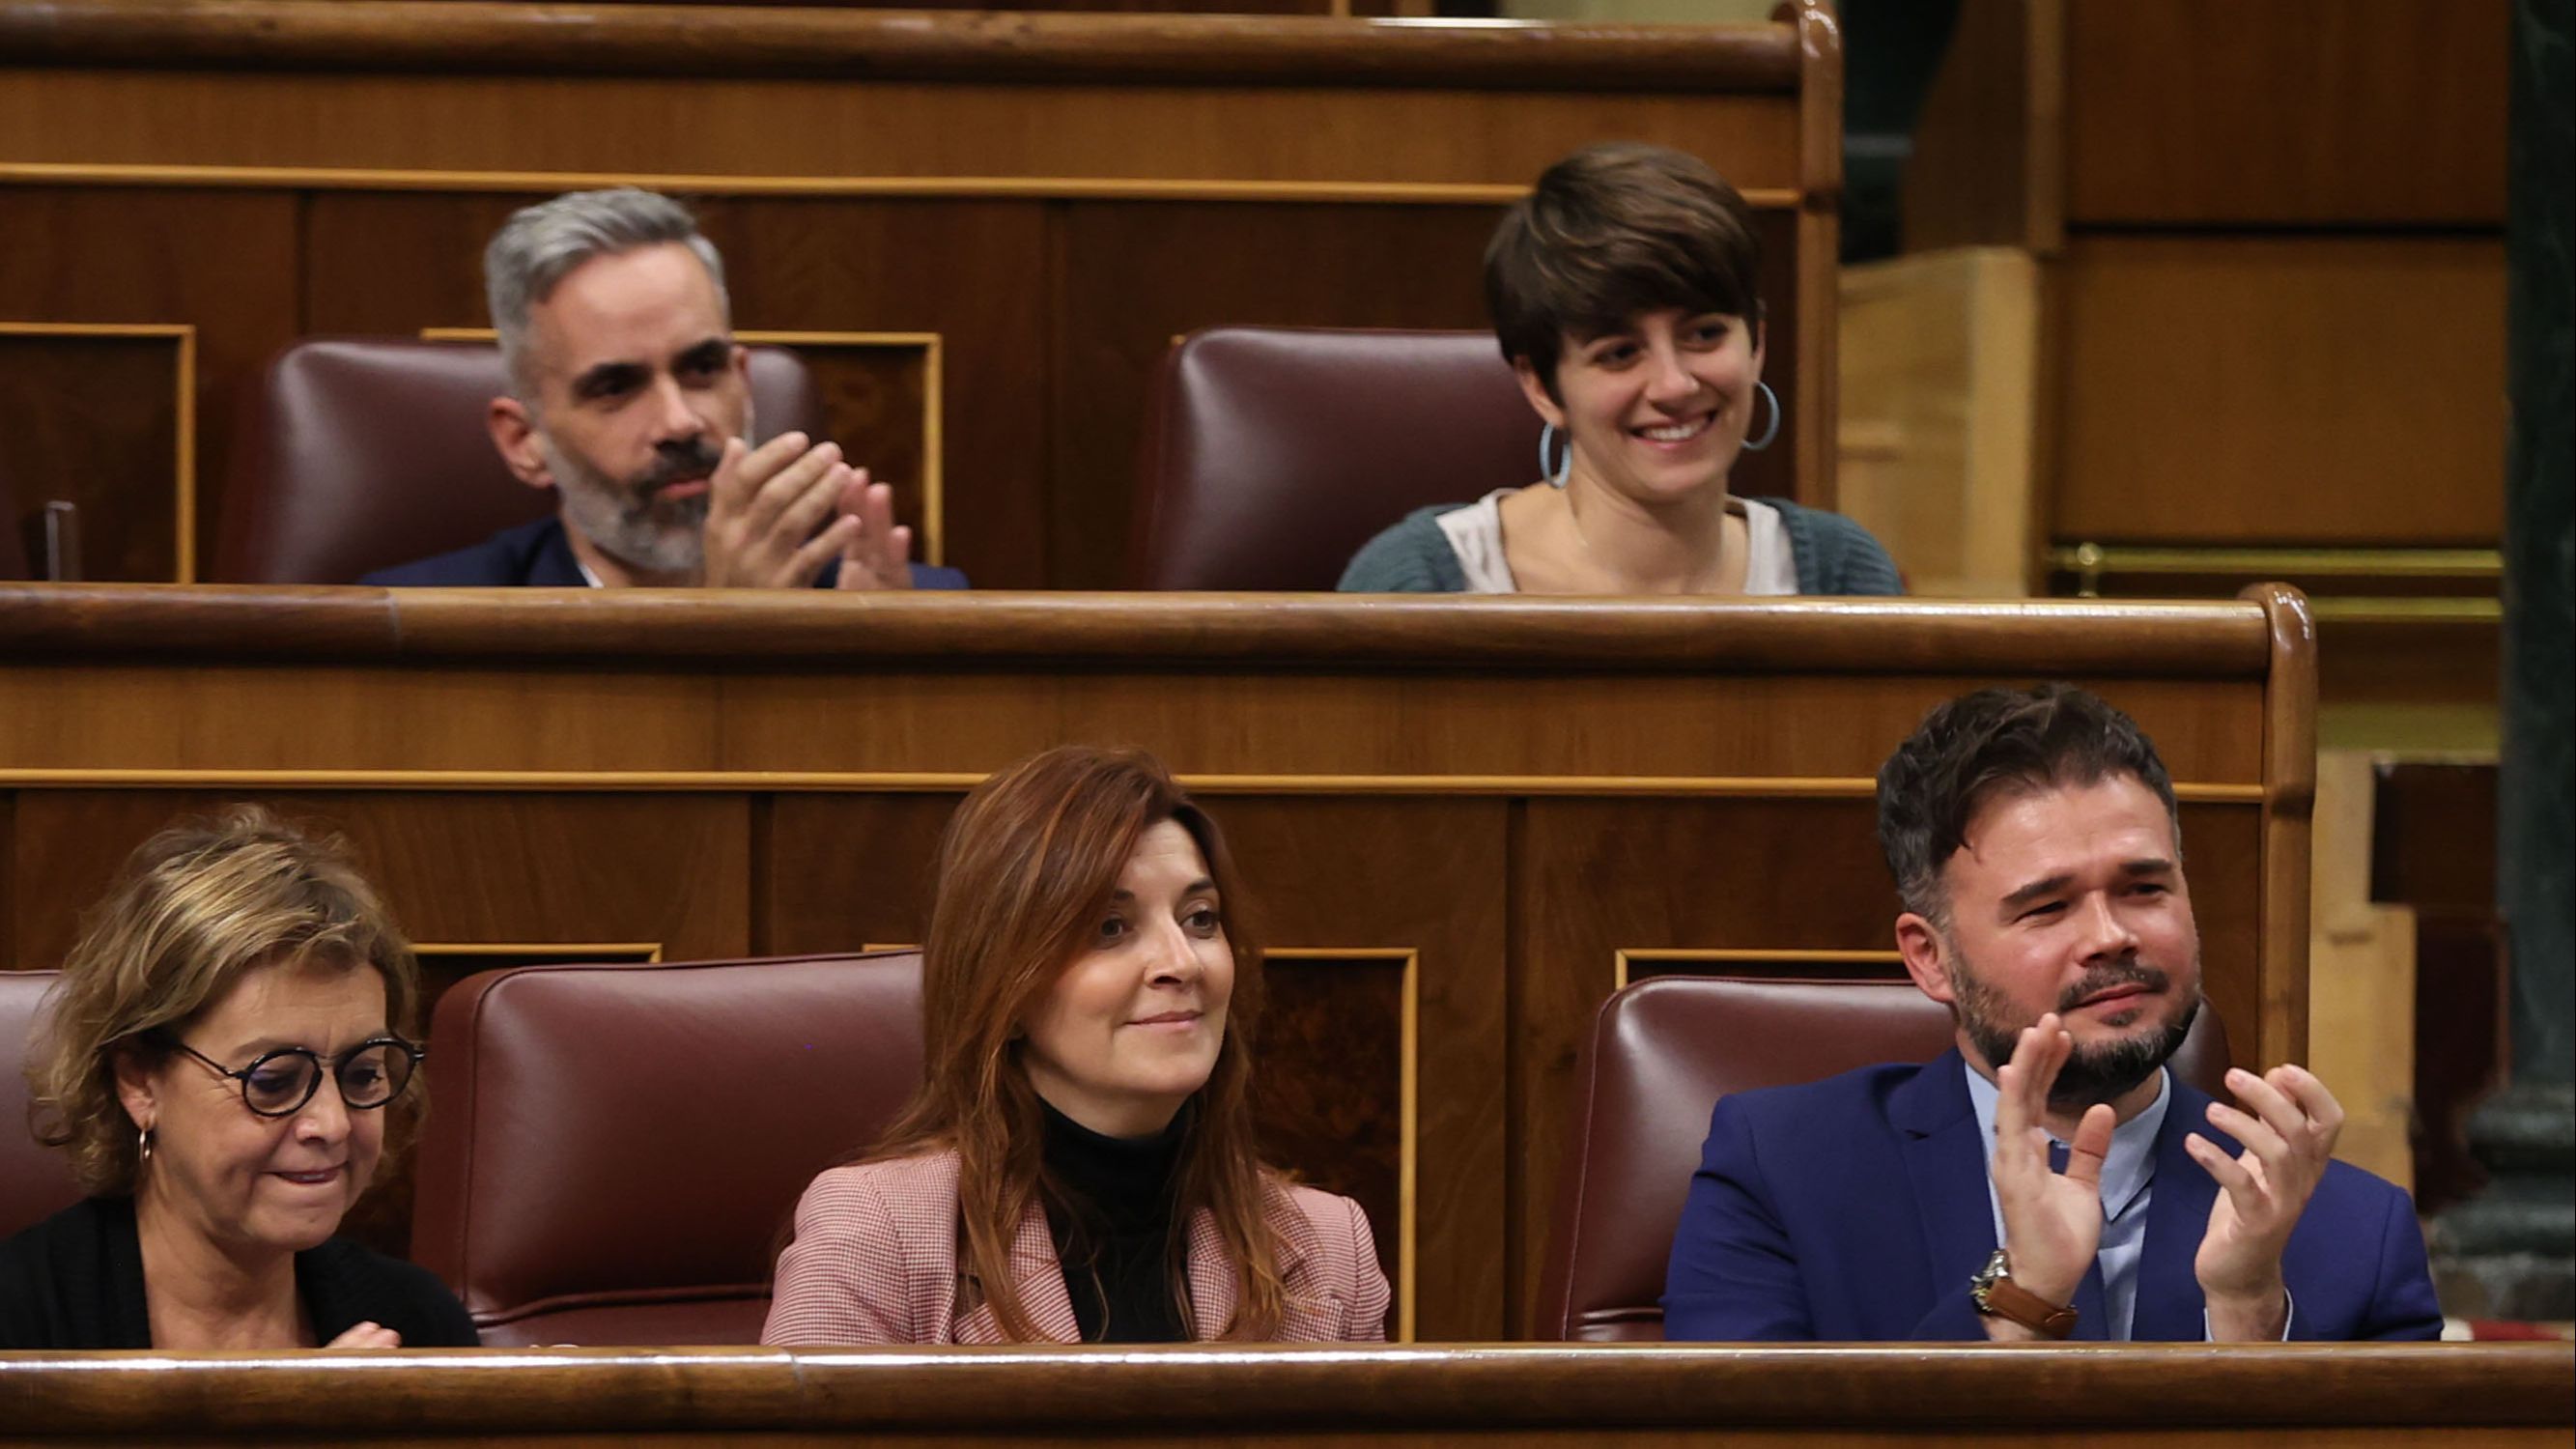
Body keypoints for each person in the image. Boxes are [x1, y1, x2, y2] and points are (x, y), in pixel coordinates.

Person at [1662, 684, 2441, 1342]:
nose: (2109, 937)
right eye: (2046, 907)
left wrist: (2243, 1316)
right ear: (1930, 959)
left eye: (2143, 888)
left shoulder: (2351, 1230)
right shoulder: (1784, 1172)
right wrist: (2022, 1296)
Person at [763, 746, 1389, 1344]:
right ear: (1003, 991)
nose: (1180, 962)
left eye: (1199, 918)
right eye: (1110, 927)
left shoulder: (1331, 1247)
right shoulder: (877, 1234)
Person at [0, 808, 477, 1350]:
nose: (333, 1124)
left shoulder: (418, 1322)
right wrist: (298, 1427)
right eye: (273, 1081)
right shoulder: (20, 1327)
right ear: (139, 1081)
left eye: (363, 1074)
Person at [1338, 143, 1900, 596]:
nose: (1675, 385)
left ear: (1757, 344)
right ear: (1541, 386)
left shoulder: (1840, 573)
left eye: (1704, 334)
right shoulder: (1416, 581)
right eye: (1619, 353)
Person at [364, 186, 966, 590]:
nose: (680, 422)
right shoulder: (419, 632)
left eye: (701, 369)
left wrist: (886, 667)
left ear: (743, 383)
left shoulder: (905, 600)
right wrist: (729, 642)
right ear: (525, 441)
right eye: (616, 387)